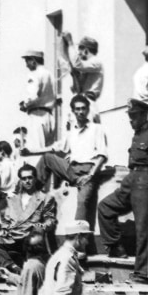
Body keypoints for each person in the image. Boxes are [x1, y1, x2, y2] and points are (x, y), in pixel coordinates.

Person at [97, 99, 148, 283]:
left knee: (143, 229)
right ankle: (115, 247)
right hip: (131, 179)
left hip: (146, 181)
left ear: (144, 115)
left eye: (134, 116)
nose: (131, 120)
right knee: (105, 207)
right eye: (129, 117)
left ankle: (144, 274)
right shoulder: (137, 135)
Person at [34, 94, 108, 238]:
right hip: (71, 169)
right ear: (73, 111)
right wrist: (30, 151)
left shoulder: (96, 129)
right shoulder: (71, 132)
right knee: (47, 158)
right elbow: (56, 149)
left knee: (82, 202)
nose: (80, 112)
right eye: (77, 109)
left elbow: (102, 156)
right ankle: (32, 193)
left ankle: (78, 244)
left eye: (83, 109)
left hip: (88, 171)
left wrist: (90, 175)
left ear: (87, 110)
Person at [0, 164, 56, 272]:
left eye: (30, 178)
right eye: (24, 178)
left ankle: (29, 266)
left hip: (30, 236)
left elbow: (50, 219)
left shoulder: (44, 198)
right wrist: (6, 227)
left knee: (34, 243)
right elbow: (4, 217)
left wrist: (42, 225)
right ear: (20, 180)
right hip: (12, 238)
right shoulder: (12, 198)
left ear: (35, 179)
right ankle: (12, 266)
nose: (27, 181)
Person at [61, 32, 104, 120]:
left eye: (80, 49)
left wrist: (70, 43)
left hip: (88, 103)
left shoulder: (95, 62)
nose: (79, 53)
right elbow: (75, 89)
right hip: (80, 102)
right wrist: (74, 75)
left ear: (86, 50)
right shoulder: (87, 66)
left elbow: (78, 64)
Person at [19, 51, 56, 151]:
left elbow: (33, 96)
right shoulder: (49, 74)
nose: (26, 65)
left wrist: (25, 105)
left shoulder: (34, 74)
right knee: (46, 150)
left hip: (37, 116)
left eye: (27, 61)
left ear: (34, 61)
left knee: (35, 149)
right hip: (49, 116)